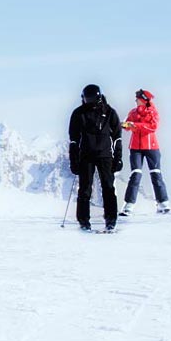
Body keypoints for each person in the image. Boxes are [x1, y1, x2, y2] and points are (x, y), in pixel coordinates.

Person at [68, 84, 124, 232]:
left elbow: (117, 136)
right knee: (85, 189)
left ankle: (111, 220)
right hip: (86, 156)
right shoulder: (78, 113)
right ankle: (83, 221)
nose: (86, 101)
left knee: (108, 187)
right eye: (85, 99)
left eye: (88, 99)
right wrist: (74, 161)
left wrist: (118, 157)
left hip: (105, 155)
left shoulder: (109, 112)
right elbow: (73, 139)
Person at [120, 90, 171, 216]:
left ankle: (163, 202)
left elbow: (153, 126)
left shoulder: (152, 112)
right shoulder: (133, 112)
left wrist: (135, 125)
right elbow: (127, 125)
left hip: (151, 146)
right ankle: (129, 205)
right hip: (135, 147)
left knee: (156, 174)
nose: (135, 101)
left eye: (137, 99)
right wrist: (125, 125)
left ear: (143, 100)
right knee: (135, 174)